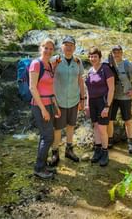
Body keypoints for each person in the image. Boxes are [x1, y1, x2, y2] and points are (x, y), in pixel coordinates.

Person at [49, 35, 85, 166]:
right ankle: (55, 152)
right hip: (59, 101)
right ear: (62, 47)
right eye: (66, 45)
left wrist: (83, 99)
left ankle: (69, 150)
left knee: (71, 126)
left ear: (75, 48)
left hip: (74, 100)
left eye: (71, 45)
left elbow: (80, 81)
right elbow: (48, 78)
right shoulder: (55, 60)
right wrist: (52, 98)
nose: (69, 48)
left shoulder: (78, 61)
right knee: (57, 128)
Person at [29, 38, 61, 179]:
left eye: (50, 48)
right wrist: (43, 109)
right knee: (48, 137)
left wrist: (56, 106)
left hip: (49, 103)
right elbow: (32, 87)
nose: (48, 51)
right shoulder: (36, 64)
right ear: (40, 48)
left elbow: (50, 88)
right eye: (45, 48)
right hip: (39, 105)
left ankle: (42, 166)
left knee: (46, 136)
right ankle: (38, 168)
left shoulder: (49, 65)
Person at [107, 45, 132, 154]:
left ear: (122, 52)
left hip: (125, 97)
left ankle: (130, 142)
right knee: (110, 120)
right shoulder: (108, 64)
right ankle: (110, 139)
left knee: (128, 121)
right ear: (112, 53)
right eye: (115, 51)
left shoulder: (127, 64)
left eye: (119, 51)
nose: (117, 53)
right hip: (113, 97)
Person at [85, 46, 115, 167]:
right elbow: (88, 89)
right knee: (96, 126)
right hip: (92, 103)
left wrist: (107, 106)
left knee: (102, 128)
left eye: (95, 56)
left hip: (103, 102)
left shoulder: (106, 69)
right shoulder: (90, 71)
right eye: (91, 56)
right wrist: (87, 104)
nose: (93, 58)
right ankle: (97, 151)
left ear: (99, 57)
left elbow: (112, 88)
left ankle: (105, 152)